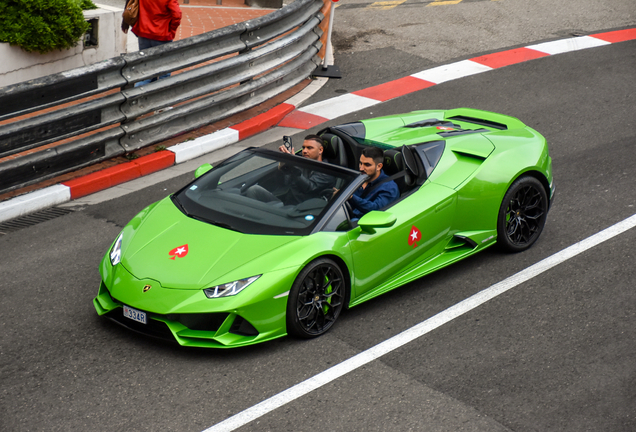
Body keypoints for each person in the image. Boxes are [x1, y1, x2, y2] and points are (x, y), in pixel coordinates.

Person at [246, 135, 336, 205]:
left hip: (302, 211)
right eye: (303, 147)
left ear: (320, 150)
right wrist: (283, 166)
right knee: (253, 190)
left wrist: (293, 165)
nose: (304, 151)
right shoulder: (302, 163)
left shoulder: (327, 171)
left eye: (309, 148)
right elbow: (282, 183)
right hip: (286, 205)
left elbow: (309, 188)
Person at [121, 0, 182, 86]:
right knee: (164, 70)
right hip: (162, 35)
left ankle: (137, 94)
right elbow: (177, 14)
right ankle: (160, 95)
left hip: (144, 32)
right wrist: (171, 30)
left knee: (145, 69)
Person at [348, 146, 400, 218]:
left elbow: (375, 209)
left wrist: (351, 197)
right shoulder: (359, 178)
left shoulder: (389, 187)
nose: (361, 168)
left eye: (367, 165)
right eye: (360, 163)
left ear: (379, 166)